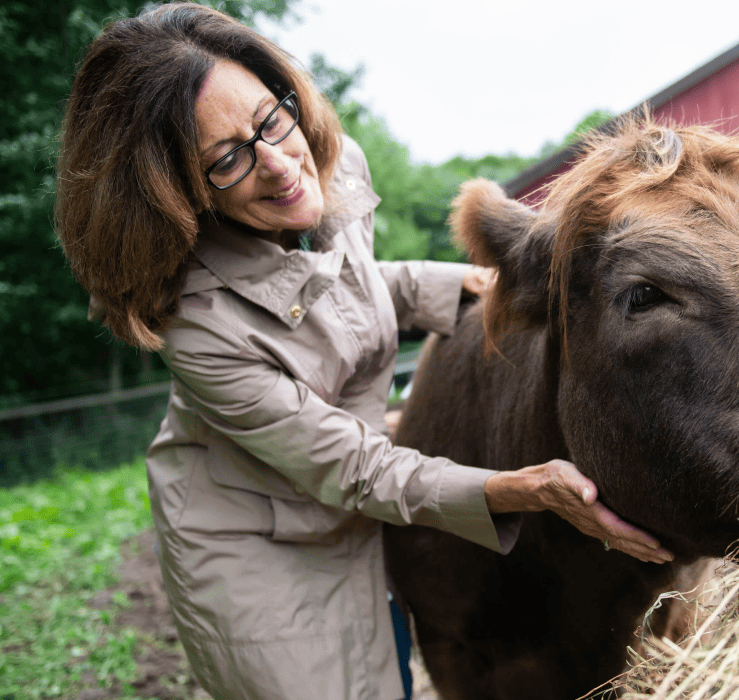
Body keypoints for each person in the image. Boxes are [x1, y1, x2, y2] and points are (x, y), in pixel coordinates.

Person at [54, 4, 672, 700]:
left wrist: (457, 283)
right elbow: (356, 468)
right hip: (261, 541)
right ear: (179, 196)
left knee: (391, 671)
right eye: (226, 159)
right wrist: (522, 490)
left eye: (270, 119)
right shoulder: (195, 324)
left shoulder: (331, 167)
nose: (280, 163)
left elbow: (330, 286)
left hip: (350, 504)